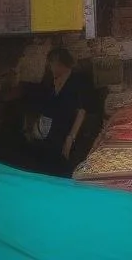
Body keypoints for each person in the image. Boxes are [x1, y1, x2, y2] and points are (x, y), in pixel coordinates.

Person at [24, 47, 91, 176]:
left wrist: (70, 138)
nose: (50, 67)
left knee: (65, 170)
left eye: (52, 64)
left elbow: (81, 112)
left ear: (61, 63)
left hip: (67, 132)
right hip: (50, 135)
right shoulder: (51, 82)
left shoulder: (77, 81)